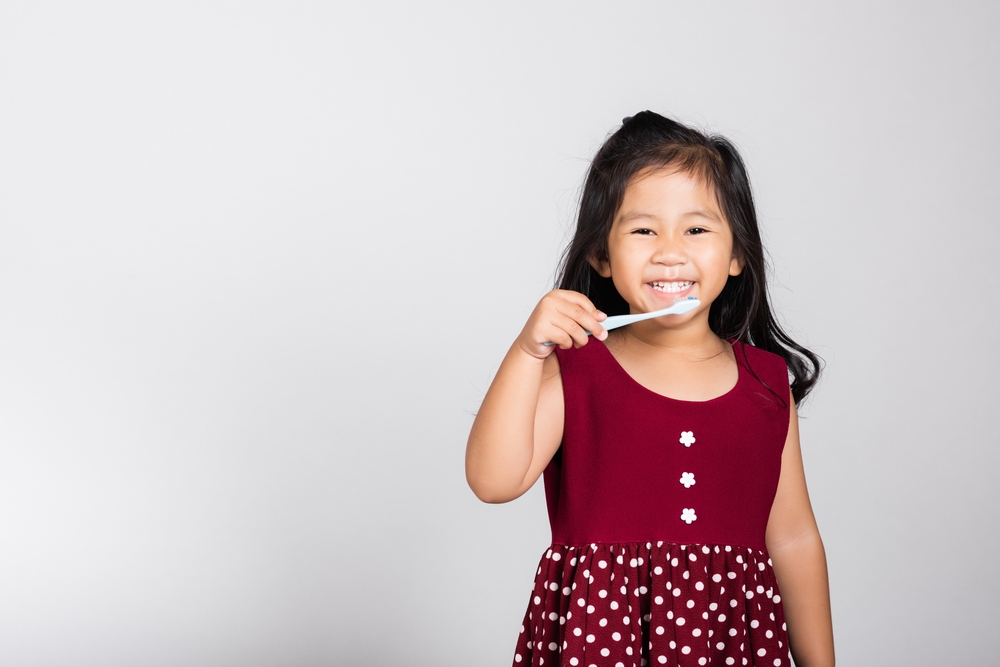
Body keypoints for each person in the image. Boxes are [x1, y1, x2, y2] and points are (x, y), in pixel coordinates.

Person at [466, 111, 835, 667]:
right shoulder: (576, 368)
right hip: (599, 641)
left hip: (729, 643)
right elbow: (493, 482)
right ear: (602, 256)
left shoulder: (766, 380)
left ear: (737, 254)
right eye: (643, 230)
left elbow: (792, 539)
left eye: (696, 229)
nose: (670, 251)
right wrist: (526, 353)